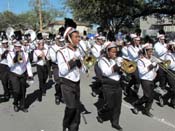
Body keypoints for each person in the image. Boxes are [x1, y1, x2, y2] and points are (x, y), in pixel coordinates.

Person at [57, 27, 87, 131]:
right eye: (76, 37)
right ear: (69, 38)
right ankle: (65, 125)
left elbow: (83, 70)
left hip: (76, 82)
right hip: (66, 83)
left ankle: (73, 128)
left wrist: (85, 65)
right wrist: (74, 60)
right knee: (71, 107)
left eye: (79, 36)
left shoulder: (79, 51)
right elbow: (62, 71)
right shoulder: (61, 52)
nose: (78, 39)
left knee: (76, 108)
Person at [97, 41, 123, 131]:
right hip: (108, 85)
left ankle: (115, 123)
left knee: (118, 105)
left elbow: (120, 71)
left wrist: (122, 68)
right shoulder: (101, 60)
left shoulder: (115, 59)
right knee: (110, 105)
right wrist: (117, 65)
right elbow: (106, 72)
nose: (114, 53)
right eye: (112, 52)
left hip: (117, 85)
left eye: (115, 52)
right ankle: (101, 113)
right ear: (107, 52)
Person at [132, 43, 159, 117]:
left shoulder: (151, 59)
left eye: (151, 51)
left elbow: (155, 69)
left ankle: (146, 110)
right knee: (147, 96)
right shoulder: (140, 60)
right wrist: (152, 65)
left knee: (151, 96)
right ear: (145, 51)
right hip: (145, 79)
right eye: (149, 51)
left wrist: (156, 66)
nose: (151, 53)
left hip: (151, 79)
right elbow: (142, 71)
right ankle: (136, 104)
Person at [7, 41, 33, 112]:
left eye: (19, 47)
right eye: (16, 47)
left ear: (21, 47)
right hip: (14, 74)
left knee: (23, 90)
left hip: (23, 73)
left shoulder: (25, 54)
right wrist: (15, 59)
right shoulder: (10, 54)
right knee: (16, 90)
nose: (17, 48)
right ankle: (15, 103)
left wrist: (30, 74)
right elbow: (10, 65)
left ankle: (22, 105)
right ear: (14, 47)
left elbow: (28, 64)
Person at [49, 35, 64, 105]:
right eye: (58, 40)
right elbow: (53, 59)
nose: (60, 41)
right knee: (58, 81)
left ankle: (63, 96)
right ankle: (57, 96)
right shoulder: (52, 48)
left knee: (64, 82)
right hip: (56, 66)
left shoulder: (65, 46)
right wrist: (59, 52)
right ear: (56, 40)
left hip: (64, 66)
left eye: (61, 40)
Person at [162, 41, 175, 108]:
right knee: (174, 88)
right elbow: (170, 66)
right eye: (173, 46)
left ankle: (173, 102)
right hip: (170, 72)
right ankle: (164, 98)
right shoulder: (167, 55)